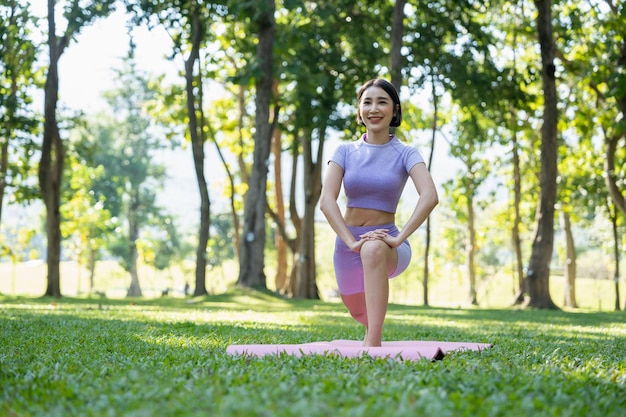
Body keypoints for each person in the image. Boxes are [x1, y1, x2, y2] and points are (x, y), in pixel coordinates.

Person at [319, 78, 439, 347]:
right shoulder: (345, 151)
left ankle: (372, 343)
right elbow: (327, 201)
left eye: (382, 102)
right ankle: (370, 324)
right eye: (367, 102)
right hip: (349, 243)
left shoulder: (406, 152)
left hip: (388, 241)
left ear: (394, 110)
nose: (374, 108)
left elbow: (429, 196)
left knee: (372, 249)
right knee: (357, 310)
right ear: (359, 111)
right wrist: (351, 241)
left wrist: (399, 238)